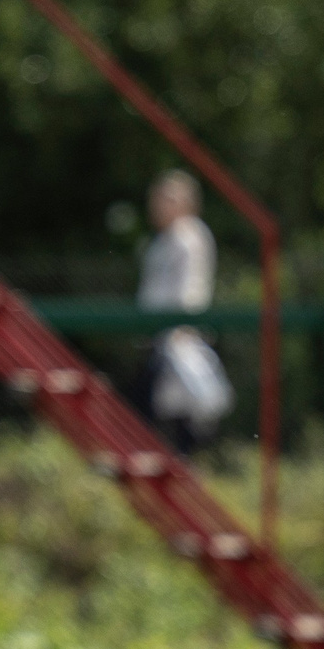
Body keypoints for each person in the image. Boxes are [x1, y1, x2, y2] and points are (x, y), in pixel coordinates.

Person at [137, 169, 231, 453]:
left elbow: (191, 287)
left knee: (167, 407)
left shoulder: (187, 235)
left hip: (176, 335)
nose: (160, 205)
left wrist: (182, 324)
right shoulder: (163, 240)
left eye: (168, 198)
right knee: (170, 408)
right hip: (161, 334)